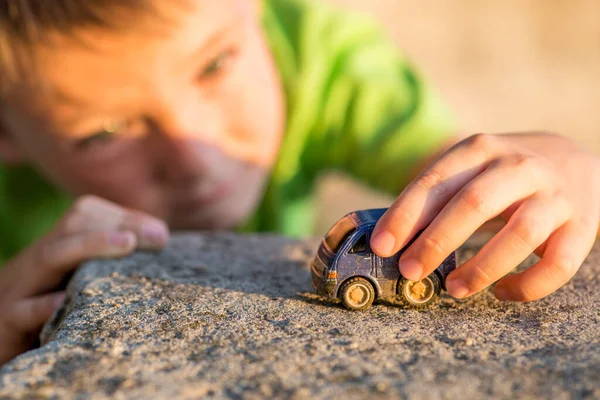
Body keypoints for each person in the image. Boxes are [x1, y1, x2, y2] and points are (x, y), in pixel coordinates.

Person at [0, 0, 598, 366]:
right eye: (105, 132)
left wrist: (565, 169)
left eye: (214, 65)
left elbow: (468, 179)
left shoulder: (318, 57)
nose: (196, 157)